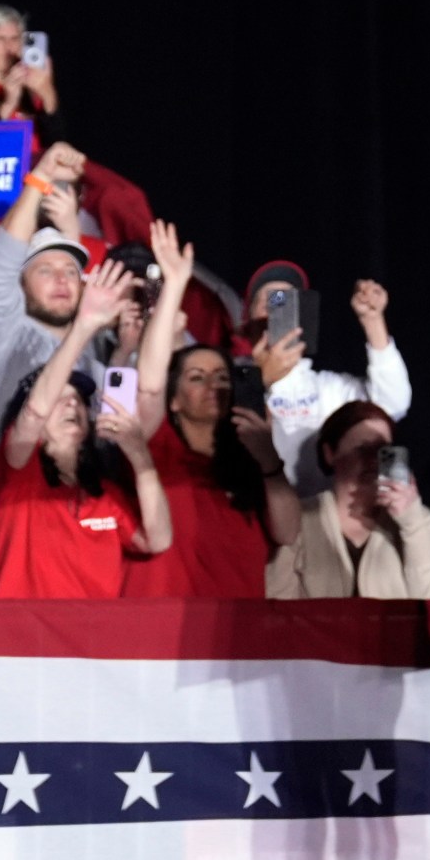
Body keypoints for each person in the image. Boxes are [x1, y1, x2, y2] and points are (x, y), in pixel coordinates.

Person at [122, 221, 299, 598]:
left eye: (222, 377)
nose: (213, 386)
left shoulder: (249, 454)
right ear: (173, 398)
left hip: (234, 637)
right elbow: (150, 381)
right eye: (197, 378)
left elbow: (288, 532)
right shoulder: (158, 446)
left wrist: (269, 462)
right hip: (161, 634)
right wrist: (172, 287)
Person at [0, 259, 171, 597]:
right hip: (18, 643)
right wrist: (84, 326)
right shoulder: (18, 473)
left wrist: (141, 458)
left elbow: (158, 539)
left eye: (79, 400)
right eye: (61, 398)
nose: (71, 404)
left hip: (91, 647)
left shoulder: (106, 495)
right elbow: (35, 411)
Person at [235, 260, 411, 488]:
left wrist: (372, 320)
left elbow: (392, 405)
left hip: (322, 517)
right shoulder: (229, 381)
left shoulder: (327, 388)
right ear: (247, 324)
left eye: (288, 302)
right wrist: (261, 378)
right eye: (271, 301)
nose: (278, 310)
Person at [0, 142, 109, 416]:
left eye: (69, 272)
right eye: (44, 270)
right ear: (20, 284)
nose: (61, 279)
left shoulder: (90, 354)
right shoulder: (3, 332)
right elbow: (3, 259)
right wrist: (41, 176)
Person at [266, 402, 430, 600]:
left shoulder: (419, 521)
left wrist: (412, 522)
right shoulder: (297, 519)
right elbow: (278, 604)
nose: (374, 460)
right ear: (330, 453)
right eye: (363, 449)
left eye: (382, 450)